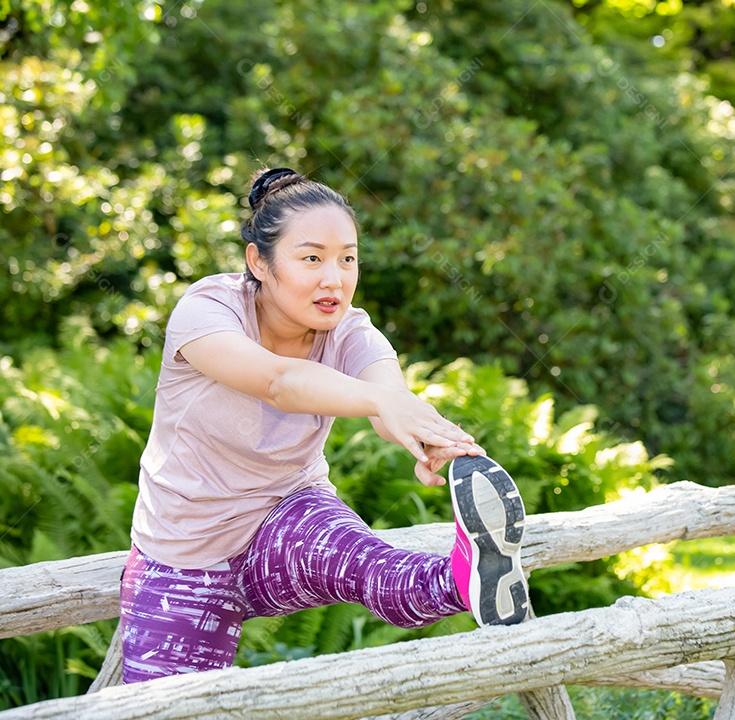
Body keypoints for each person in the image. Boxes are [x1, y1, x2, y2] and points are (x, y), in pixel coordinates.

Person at [119, 167, 529, 684]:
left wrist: (437, 443)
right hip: (183, 554)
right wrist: (382, 401)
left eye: (348, 259)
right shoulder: (207, 312)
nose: (333, 279)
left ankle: (472, 578)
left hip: (288, 515)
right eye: (311, 258)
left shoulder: (350, 330)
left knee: (377, 571)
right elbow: (279, 382)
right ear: (259, 261)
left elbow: (389, 401)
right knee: (169, 712)